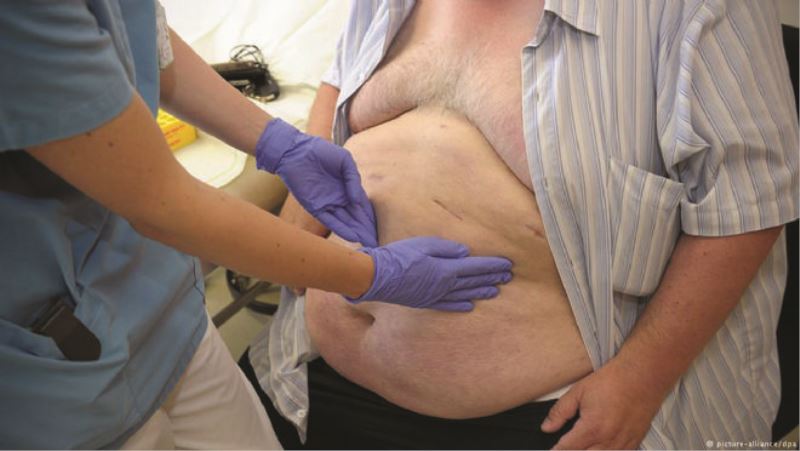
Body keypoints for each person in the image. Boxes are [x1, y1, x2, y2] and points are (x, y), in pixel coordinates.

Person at [241, 0, 800, 449]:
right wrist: (304, 187)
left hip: (551, 412)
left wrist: (638, 380)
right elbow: (343, 72)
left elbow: (747, 207)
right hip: (309, 371)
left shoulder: (692, 10)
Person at [0, 1, 514, 449]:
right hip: (55, 372)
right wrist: (370, 276)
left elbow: (140, 36)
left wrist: (278, 143)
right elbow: (162, 204)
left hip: (158, 305)